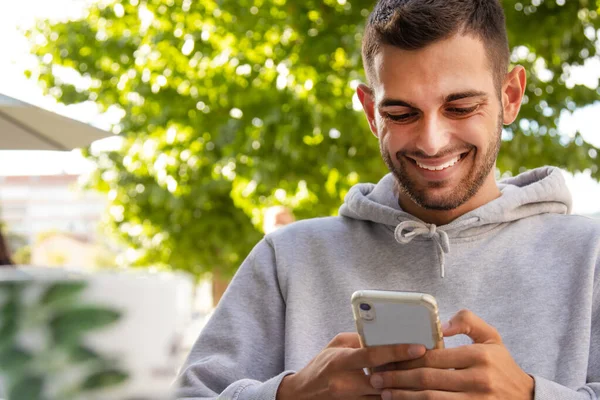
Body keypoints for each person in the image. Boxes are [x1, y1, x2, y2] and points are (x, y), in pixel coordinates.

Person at [176, 0, 600, 399]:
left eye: (461, 107)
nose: (432, 142)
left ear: (510, 96)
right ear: (370, 111)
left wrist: (531, 395)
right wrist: (288, 394)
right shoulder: (287, 259)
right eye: (401, 114)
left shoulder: (591, 255)